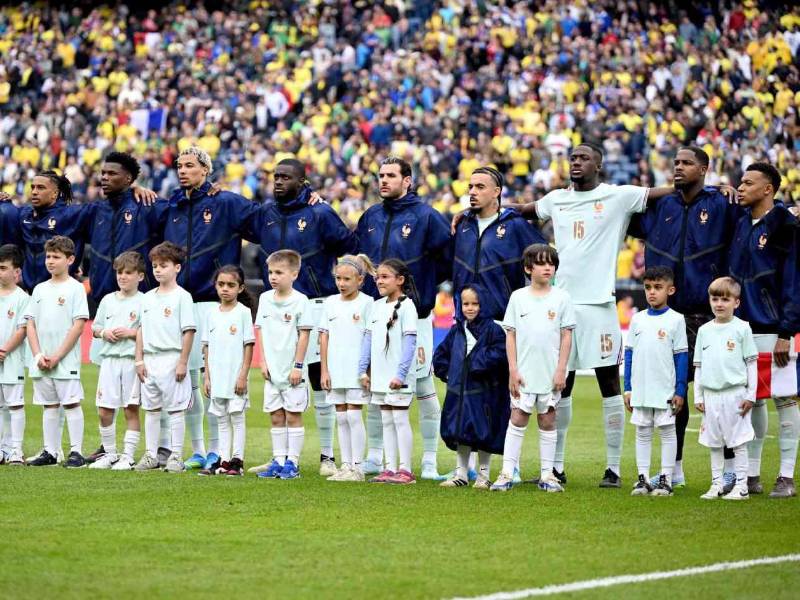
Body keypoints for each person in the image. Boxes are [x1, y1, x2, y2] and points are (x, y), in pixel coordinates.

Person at [513, 143, 704, 487]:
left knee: (609, 385)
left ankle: (613, 469)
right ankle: (555, 467)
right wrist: (485, 208)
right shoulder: (556, 199)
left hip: (600, 305)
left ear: (598, 165)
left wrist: (717, 188)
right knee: (561, 386)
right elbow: (525, 210)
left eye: (584, 158)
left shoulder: (619, 196)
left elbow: (668, 191)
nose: (576, 162)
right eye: (573, 158)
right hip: (563, 303)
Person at [629, 146, 742, 489]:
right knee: (672, 392)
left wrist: (724, 191)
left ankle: (731, 471)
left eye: (686, 163)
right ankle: (674, 469)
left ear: (704, 169)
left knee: (718, 392)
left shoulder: (721, 204)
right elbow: (619, 208)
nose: (678, 167)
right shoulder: (660, 205)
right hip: (668, 316)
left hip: (708, 315)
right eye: (676, 162)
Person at [244, 158, 357, 477]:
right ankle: (280, 457)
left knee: (320, 380)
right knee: (280, 379)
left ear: (302, 182)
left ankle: (327, 456)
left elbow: (349, 244)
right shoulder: (265, 213)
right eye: (275, 176)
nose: (278, 181)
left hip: (316, 304)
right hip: (278, 307)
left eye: (285, 177)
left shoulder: (319, 212)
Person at [355, 156, 451, 480]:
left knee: (423, 387)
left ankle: (429, 462)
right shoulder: (370, 216)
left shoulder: (426, 217)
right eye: (381, 175)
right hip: (377, 314)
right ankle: (375, 457)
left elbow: (448, 258)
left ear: (407, 180)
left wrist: (422, 287)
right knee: (377, 388)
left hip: (415, 315)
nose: (383, 180)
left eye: (391, 175)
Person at [163, 146, 258, 472]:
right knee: (188, 381)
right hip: (180, 301)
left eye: (190, 165)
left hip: (212, 302)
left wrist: (310, 200)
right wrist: (136, 190)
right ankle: (199, 450)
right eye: (179, 166)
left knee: (214, 379)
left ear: (205, 169)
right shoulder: (172, 206)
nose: (182, 171)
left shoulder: (225, 202)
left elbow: (264, 221)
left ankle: (219, 451)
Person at [729, 162, 800, 498]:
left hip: (775, 329)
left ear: (768, 189)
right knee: (753, 400)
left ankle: (786, 476)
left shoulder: (786, 225)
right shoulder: (742, 223)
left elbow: (794, 280)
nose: (740, 187)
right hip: (743, 327)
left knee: (784, 400)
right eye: (740, 182)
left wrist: (787, 331)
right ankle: (752, 475)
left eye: (748, 183)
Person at [491, 244, 575, 493]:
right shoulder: (518, 297)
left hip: (550, 372)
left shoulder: (562, 298)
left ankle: (547, 475)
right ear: (528, 268)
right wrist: (513, 370)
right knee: (517, 418)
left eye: (551, 263)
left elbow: (566, 336)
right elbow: (511, 336)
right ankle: (507, 472)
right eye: (541, 263)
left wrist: (561, 369)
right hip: (524, 372)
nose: (548, 267)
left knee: (548, 419)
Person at [433, 284, 509, 489]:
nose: (470, 308)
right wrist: (446, 372)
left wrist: (475, 364)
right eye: (466, 304)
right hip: (459, 392)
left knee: (484, 431)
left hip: (483, 392)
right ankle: (461, 473)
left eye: (475, 304)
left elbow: (500, 354)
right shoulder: (457, 329)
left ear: (483, 304)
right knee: (460, 431)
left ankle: (484, 475)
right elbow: (442, 354)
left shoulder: (493, 330)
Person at [623, 266, 688, 497]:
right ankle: (643, 479)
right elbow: (629, 354)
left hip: (665, 389)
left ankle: (666, 479)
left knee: (668, 432)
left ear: (670, 290)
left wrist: (680, 390)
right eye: (648, 287)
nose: (652, 292)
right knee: (642, 431)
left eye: (658, 287)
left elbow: (681, 357)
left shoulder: (676, 320)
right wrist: (627, 388)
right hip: (641, 389)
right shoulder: (637, 319)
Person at [25, 236, 89, 467]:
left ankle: (76, 452)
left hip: (64, 360)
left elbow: (78, 326)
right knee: (49, 405)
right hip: (42, 359)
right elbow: (30, 323)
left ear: (70, 260)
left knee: (71, 403)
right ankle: (50, 452)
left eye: (56, 257)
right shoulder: (40, 289)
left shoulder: (75, 289)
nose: (50, 261)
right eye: (48, 256)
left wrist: (57, 356)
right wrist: (38, 355)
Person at [133, 242, 197, 473]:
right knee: (151, 409)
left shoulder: (183, 297)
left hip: (172, 358)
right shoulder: (147, 298)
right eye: (155, 266)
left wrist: (182, 361)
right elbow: (141, 329)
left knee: (176, 410)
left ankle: (176, 456)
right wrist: (139, 359)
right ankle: (151, 454)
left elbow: (188, 331)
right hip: (150, 359)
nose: (158, 270)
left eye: (163, 265)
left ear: (177, 268)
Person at [451, 167, 545, 320]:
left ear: (496, 192)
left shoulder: (515, 225)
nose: (472, 192)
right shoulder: (461, 225)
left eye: (480, 187)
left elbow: (545, 262)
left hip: (502, 321)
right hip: (464, 321)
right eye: (471, 187)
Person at [694, 277, 758, 501]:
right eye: (715, 299)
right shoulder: (704, 330)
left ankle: (742, 486)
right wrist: (698, 395)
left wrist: (751, 395)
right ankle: (717, 484)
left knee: (738, 442)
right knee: (714, 442)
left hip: (735, 394)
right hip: (711, 395)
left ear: (736, 303)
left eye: (725, 299)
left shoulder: (742, 328)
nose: (719, 304)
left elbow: (751, 364)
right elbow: (699, 365)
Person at [358, 258, 419, 485]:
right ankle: (390, 467)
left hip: (397, 376)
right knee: (386, 419)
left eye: (385, 277)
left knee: (400, 419)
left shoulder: (408, 307)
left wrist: (400, 375)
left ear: (400, 280)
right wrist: (363, 370)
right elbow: (368, 339)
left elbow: (409, 344)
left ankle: (406, 469)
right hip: (380, 374)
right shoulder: (376, 306)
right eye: (377, 277)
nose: (379, 281)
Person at [254, 250, 314, 480]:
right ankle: (278, 461)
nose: (273, 277)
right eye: (271, 272)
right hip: (272, 370)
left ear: (294, 274)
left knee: (293, 415)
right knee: (276, 416)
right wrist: (263, 361)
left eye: (279, 272)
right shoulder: (265, 299)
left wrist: (298, 366)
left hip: (291, 370)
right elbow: (261, 331)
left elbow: (304, 335)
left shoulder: (301, 301)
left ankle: (293, 463)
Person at [88, 252, 146, 471]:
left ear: (140, 276)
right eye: (120, 272)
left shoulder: (145, 301)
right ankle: (110, 454)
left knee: (130, 409)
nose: (123, 276)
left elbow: (150, 330)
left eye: (128, 273)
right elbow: (95, 327)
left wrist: (131, 333)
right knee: (104, 410)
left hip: (131, 361)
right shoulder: (108, 300)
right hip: (109, 361)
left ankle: (128, 456)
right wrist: (104, 333)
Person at [319, 254, 375, 482]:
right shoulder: (330, 302)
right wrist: (324, 370)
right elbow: (324, 337)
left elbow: (370, 338)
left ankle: (358, 468)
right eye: (338, 279)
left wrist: (366, 370)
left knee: (353, 415)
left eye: (347, 279)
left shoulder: (367, 303)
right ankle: (345, 465)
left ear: (360, 280)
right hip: (335, 367)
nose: (341, 283)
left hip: (356, 369)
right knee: (341, 417)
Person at [201, 265, 255, 477]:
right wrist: (207, 376)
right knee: (221, 419)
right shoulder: (210, 313)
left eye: (231, 285)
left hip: (235, 376)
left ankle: (237, 461)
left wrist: (243, 375)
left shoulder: (243, 313)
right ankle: (223, 460)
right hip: (217, 376)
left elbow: (248, 345)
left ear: (240, 288)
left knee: (236, 416)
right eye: (221, 284)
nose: (225, 289)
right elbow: (207, 347)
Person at [0, 245, 29, 465]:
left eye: (3, 268)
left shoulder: (22, 298)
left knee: (15, 404)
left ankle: (16, 450)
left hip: (11, 359)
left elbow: (22, 329)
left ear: (16, 271)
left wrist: (3, 350)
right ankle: (2, 449)